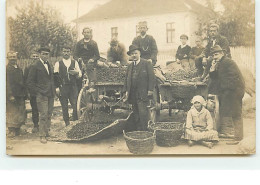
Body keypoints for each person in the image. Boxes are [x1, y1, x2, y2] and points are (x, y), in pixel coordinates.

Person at [209, 45, 245, 145]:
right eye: (213, 55)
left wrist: (225, 92)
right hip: (230, 90)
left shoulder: (228, 62)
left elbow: (232, 78)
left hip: (235, 90)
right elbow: (216, 78)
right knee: (232, 112)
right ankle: (236, 136)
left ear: (222, 54)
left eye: (216, 54)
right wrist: (212, 70)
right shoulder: (220, 63)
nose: (214, 57)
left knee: (236, 113)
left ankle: (238, 138)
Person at [27, 47, 55, 144]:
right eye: (43, 54)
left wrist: (54, 89)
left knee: (49, 114)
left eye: (47, 54)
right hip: (42, 94)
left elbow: (51, 79)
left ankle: (47, 132)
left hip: (50, 93)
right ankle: (42, 135)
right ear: (39, 54)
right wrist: (38, 91)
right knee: (43, 114)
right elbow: (30, 82)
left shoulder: (49, 64)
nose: (45, 55)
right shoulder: (35, 65)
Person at [123, 45, 155, 131]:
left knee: (143, 113)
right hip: (133, 94)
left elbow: (151, 77)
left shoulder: (146, 63)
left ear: (139, 53)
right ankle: (138, 131)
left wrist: (150, 90)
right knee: (136, 112)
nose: (134, 55)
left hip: (143, 93)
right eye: (132, 54)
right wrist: (126, 91)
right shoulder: (130, 66)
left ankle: (145, 131)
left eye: (136, 53)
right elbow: (126, 79)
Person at [54, 46, 82, 126]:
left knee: (75, 104)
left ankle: (75, 121)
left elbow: (80, 74)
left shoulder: (74, 62)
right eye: (64, 51)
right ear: (62, 52)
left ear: (70, 52)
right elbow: (55, 76)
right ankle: (67, 123)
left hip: (73, 87)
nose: (66, 53)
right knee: (64, 106)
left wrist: (76, 72)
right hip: (63, 87)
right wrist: (57, 88)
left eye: (67, 51)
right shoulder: (58, 63)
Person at [6, 51, 26, 137]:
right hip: (12, 95)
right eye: (11, 57)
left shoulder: (19, 68)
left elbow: (22, 81)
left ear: (16, 58)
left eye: (14, 57)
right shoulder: (7, 69)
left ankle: (18, 129)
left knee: (20, 111)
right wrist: (10, 95)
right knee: (11, 111)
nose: (13, 59)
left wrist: (25, 93)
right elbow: (6, 83)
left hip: (20, 94)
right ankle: (11, 130)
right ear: (8, 58)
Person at [24, 51, 39, 133]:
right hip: (33, 92)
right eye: (33, 56)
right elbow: (26, 81)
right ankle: (36, 125)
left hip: (41, 91)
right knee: (34, 109)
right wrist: (28, 93)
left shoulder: (41, 67)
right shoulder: (28, 68)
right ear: (30, 57)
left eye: (37, 56)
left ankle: (45, 126)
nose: (35, 58)